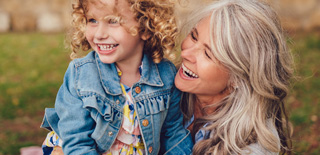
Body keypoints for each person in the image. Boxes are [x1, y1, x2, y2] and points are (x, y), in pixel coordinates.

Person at [40, 0, 193, 154]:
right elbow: (76, 142)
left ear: (146, 27)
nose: (99, 34)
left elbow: (173, 133)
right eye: (92, 20)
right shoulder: (81, 75)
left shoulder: (165, 75)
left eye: (113, 21)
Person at [174, 0, 293, 154]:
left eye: (207, 54)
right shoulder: (162, 89)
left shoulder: (252, 148)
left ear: (237, 78)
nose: (185, 53)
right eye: (194, 37)